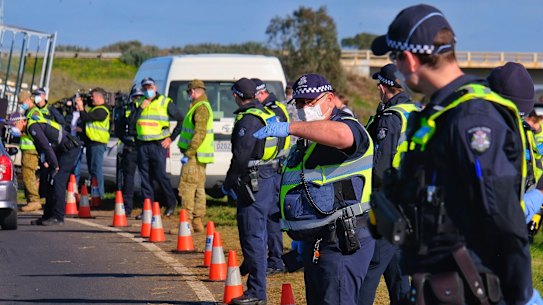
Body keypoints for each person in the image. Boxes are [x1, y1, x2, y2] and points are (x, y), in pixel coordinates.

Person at [370, 4, 542, 304]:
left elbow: (503, 217)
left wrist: (521, 295)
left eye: (395, 58)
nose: (396, 66)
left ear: (409, 59)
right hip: (437, 282)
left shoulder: (473, 119)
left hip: (473, 289)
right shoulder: (437, 113)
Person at [254, 73, 375, 305]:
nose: (304, 108)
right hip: (318, 240)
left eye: (310, 102)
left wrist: (290, 127)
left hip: (343, 240)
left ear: (330, 99)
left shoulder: (347, 125)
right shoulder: (309, 139)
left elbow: (342, 136)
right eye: (299, 103)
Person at [359, 64, 417, 305]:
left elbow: (379, 168)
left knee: (368, 272)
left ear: (383, 87)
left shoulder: (391, 118)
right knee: (399, 273)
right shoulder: (415, 111)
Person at [221, 77, 280, 305]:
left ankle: (257, 292)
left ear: (236, 95)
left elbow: (241, 155)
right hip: (268, 176)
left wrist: (228, 182)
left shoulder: (249, 120)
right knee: (260, 233)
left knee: (252, 235)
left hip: (252, 179)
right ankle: (252, 272)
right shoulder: (266, 113)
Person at [9, 112, 81, 225]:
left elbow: (46, 147)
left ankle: (58, 217)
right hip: (60, 150)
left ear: (22, 121)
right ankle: (47, 216)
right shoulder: (29, 129)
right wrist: (45, 161)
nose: (13, 127)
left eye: (14, 124)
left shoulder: (33, 127)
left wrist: (55, 165)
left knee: (57, 181)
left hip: (69, 149)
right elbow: (41, 147)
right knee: (48, 181)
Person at [252, 77, 290, 275]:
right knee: (268, 217)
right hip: (272, 168)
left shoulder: (274, 110)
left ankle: (275, 260)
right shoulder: (273, 108)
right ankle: (273, 258)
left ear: (260, 92)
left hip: (272, 169)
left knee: (270, 218)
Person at [133, 77, 183, 218]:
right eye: (145, 88)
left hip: (158, 144)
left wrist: (171, 138)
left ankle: (171, 203)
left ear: (155, 87)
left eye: (150, 87)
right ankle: (147, 208)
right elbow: (131, 121)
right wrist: (140, 108)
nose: (147, 90)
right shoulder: (139, 102)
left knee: (160, 176)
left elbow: (181, 119)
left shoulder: (165, 102)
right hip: (143, 144)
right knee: (145, 178)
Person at [177, 79, 214, 232]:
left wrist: (189, 152)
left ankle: (186, 224)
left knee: (187, 188)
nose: (188, 95)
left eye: (188, 92)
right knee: (199, 189)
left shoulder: (200, 108)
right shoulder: (202, 106)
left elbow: (199, 133)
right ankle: (197, 222)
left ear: (193, 91)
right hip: (200, 156)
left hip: (194, 156)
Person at [76, 87, 111, 199]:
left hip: (98, 143)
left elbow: (85, 118)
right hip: (92, 143)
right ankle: (95, 193)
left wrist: (81, 107)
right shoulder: (94, 109)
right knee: (92, 170)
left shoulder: (102, 110)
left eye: (93, 97)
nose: (91, 99)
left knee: (96, 169)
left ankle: (99, 194)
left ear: (100, 97)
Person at [115, 87, 143, 217]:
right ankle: (127, 208)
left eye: (139, 96)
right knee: (128, 178)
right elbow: (119, 127)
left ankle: (147, 208)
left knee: (146, 179)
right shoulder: (127, 108)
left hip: (143, 146)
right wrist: (125, 140)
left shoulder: (147, 108)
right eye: (135, 97)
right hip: (130, 147)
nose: (137, 99)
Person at [17, 90, 43, 212]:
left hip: (31, 149)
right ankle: (30, 199)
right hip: (27, 149)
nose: (22, 105)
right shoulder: (29, 112)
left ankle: (34, 201)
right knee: (26, 175)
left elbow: (36, 130)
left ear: (28, 100)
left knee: (29, 175)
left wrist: (22, 129)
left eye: (22, 102)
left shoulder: (35, 112)